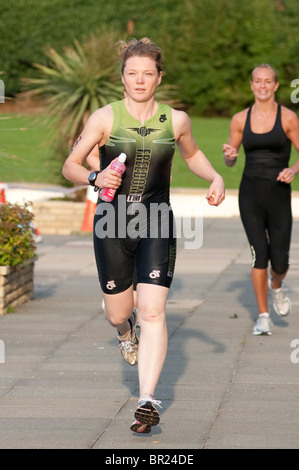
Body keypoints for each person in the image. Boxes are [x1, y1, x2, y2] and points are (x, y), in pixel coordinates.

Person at [62, 37, 225, 433]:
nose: (139, 80)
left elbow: (191, 154)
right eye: (132, 73)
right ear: (122, 77)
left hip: (156, 219)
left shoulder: (177, 120)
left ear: (158, 77)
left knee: (153, 310)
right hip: (112, 223)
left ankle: (147, 401)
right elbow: (70, 165)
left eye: (147, 74)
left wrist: (215, 175)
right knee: (120, 311)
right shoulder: (104, 118)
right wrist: (95, 176)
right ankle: (124, 332)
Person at [223, 64, 299, 336]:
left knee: (280, 263)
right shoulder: (240, 119)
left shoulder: (288, 118)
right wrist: (229, 155)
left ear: (276, 85)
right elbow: (230, 159)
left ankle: (277, 286)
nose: (263, 86)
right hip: (250, 194)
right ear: (252, 85)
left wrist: (293, 169)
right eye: (258, 81)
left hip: (278, 195)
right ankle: (263, 316)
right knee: (260, 255)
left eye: (268, 81)